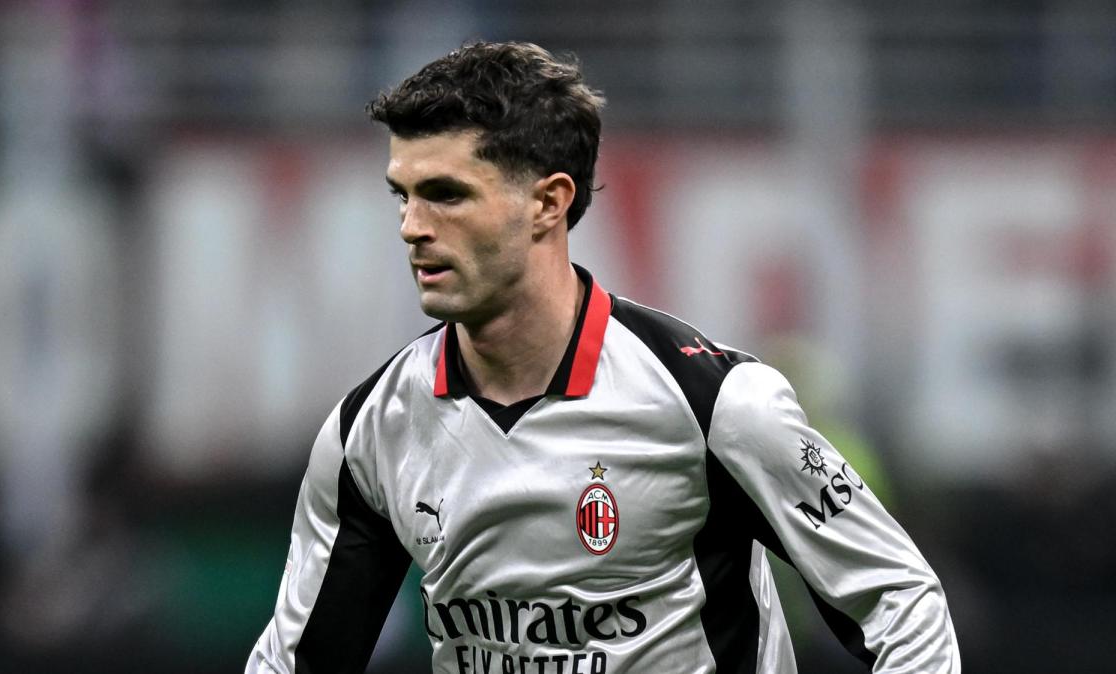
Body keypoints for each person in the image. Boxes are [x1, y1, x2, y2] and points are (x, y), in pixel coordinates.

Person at [246, 41, 960, 674]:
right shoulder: (372, 429)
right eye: (401, 196)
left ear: (548, 203)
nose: (411, 226)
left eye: (446, 195)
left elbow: (901, 600)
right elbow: (293, 660)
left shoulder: (712, 403)